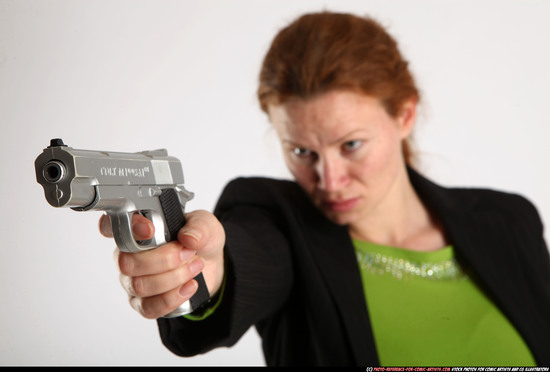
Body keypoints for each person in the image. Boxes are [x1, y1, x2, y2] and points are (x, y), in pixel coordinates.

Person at [99, 11, 550, 366]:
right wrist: (201, 274)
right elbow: (244, 259)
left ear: (405, 116)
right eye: (301, 152)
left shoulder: (510, 221)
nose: (329, 181)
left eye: (351, 144)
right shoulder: (277, 222)